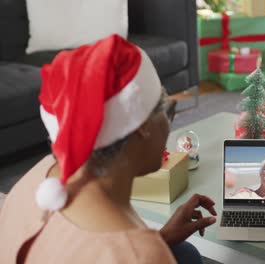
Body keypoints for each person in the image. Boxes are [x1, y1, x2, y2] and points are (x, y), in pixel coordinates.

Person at [0, 34, 216, 264]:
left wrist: (160, 238)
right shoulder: (141, 255)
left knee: (186, 253)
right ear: (142, 125)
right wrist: (150, 247)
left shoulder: (35, 177)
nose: (169, 123)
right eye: (168, 111)